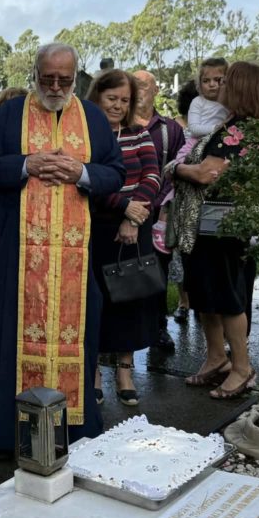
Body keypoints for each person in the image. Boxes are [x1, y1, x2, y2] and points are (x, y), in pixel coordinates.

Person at [0, 43, 125, 451]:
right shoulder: (11, 114)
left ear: (76, 77)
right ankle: (8, 436)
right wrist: (27, 164)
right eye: (47, 78)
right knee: (8, 341)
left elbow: (115, 173)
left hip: (75, 261)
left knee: (79, 342)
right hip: (17, 258)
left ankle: (73, 433)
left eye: (64, 79)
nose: (55, 86)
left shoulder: (92, 117)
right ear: (35, 74)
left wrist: (82, 172)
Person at [168, 61, 259, 400]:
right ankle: (216, 358)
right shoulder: (230, 123)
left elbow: (207, 174)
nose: (221, 86)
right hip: (207, 227)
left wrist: (176, 168)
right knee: (206, 295)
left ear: (242, 88)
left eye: (228, 81)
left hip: (224, 228)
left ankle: (242, 367)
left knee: (228, 298)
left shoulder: (241, 130)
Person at [87, 70, 160, 406]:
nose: (118, 105)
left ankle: (125, 372)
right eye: (111, 98)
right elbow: (87, 181)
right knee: (96, 301)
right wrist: (124, 206)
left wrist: (133, 216)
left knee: (129, 298)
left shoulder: (138, 132)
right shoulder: (85, 134)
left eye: (124, 100)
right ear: (97, 97)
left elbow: (152, 175)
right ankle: (96, 373)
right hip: (97, 226)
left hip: (135, 227)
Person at [133, 70, 186, 350]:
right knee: (122, 271)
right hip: (126, 211)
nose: (138, 90)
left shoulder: (170, 129)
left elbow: (176, 171)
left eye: (143, 85)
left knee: (158, 274)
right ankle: (126, 333)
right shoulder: (119, 125)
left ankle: (157, 328)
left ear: (155, 90)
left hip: (157, 213)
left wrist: (163, 206)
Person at [186, 58, 229, 139]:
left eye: (217, 79)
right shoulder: (198, 102)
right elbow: (194, 129)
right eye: (206, 81)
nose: (212, 84)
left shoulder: (230, 102)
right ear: (199, 84)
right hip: (197, 143)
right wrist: (219, 128)